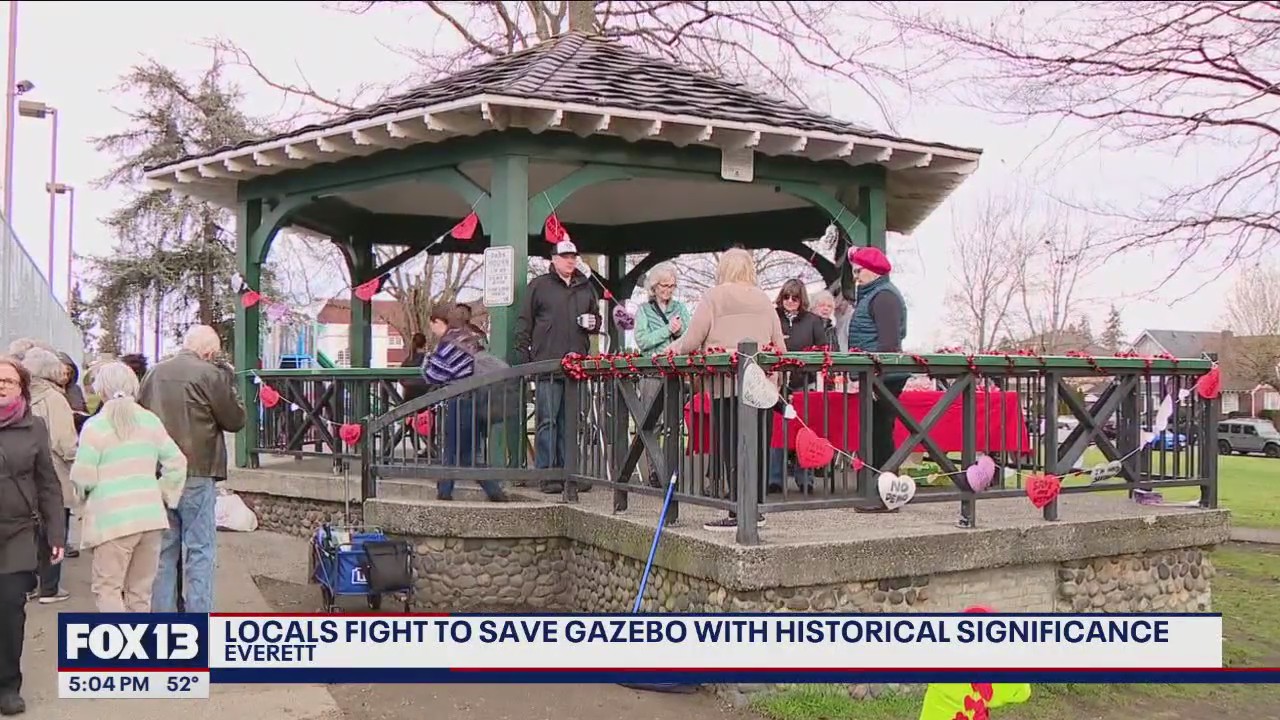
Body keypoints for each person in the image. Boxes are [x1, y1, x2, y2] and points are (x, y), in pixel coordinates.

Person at [666, 248, 786, 531]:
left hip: (727, 384)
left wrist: (675, 349)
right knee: (757, 445)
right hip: (761, 385)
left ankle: (737, 511)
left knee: (732, 446)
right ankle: (755, 508)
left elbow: (692, 339)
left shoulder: (714, 297)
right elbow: (780, 346)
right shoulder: (764, 299)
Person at [138, 325, 246, 613]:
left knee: (164, 551)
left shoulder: (154, 373)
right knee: (199, 550)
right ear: (209, 352)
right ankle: (199, 620)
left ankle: (163, 620)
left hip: (159, 470)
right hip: (198, 470)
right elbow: (234, 420)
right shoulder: (210, 374)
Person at [71, 362, 188, 612]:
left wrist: (83, 499)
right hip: (150, 517)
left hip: (112, 520)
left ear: (100, 390)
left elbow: (83, 477)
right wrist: (162, 492)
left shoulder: (95, 426)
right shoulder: (150, 421)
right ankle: (139, 645)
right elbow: (177, 463)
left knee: (108, 589)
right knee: (140, 593)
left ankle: (122, 646)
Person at [0, 356, 66, 716]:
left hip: (17, 531)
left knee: (10, 607)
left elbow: (48, 485)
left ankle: (8, 685)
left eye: (8, 381)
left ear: (21, 387)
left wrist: (56, 533)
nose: (1, 385)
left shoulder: (35, 427)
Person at [514, 239, 602, 494]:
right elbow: (524, 321)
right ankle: (547, 473)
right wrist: (524, 358)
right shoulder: (539, 286)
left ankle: (570, 472)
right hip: (547, 364)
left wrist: (593, 323)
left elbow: (596, 320)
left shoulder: (586, 288)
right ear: (554, 259)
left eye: (573, 256)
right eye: (565, 256)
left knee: (572, 421)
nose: (570, 260)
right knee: (548, 420)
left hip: (576, 364)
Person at [423, 304, 509, 502]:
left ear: (439, 322)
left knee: (454, 450)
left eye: (432, 324)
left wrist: (428, 358)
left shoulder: (449, 343)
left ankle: (447, 492)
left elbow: (433, 374)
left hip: (459, 400)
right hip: (477, 398)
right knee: (467, 451)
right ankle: (489, 491)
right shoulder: (470, 337)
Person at [846, 246, 909, 513]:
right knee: (876, 433)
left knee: (881, 435)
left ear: (873, 271)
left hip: (883, 377)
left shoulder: (884, 297)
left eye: (859, 271)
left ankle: (884, 495)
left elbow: (888, 344)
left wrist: (875, 379)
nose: (856, 276)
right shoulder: (874, 295)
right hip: (876, 375)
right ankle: (879, 491)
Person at [19, 349, 78, 604]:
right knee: (55, 527)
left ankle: (28, 584)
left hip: (23, 473)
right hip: (53, 471)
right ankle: (50, 588)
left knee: (29, 530)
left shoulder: (21, 396)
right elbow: (66, 443)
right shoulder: (55, 399)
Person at [632, 262, 693, 488]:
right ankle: (655, 469)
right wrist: (667, 331)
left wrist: (679, 335)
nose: (668, 290)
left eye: (672, 286)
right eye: (664, 286)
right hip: (651, 373)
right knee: (652, 423)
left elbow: (690, 338)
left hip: (674, 373)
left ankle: (672, 469)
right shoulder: (644, 311)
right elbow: (643, 341)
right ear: (654, 287)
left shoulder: (681, 309)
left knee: (673, 424)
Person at [768, 280, 829, 494]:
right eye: (786, 297)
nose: (790, 301)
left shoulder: (813, 320)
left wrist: (805, 365)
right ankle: (774, 478)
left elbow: (822, 349)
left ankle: (806, 479)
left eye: (795, 297)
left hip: (804, 383)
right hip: (778, 384)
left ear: (801, 299)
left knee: (805, 430)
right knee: (778, 430)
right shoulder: (772, 316)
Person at [400, 332, 430, 403]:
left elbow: (401, 379)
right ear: (425, 344)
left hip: (409, 396)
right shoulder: (429, 359)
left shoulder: (408, 361)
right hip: (427, 396)